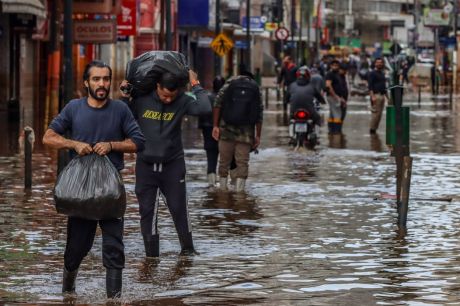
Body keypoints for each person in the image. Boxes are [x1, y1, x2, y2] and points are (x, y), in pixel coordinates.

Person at [42, 60, 145, 298]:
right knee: (77, 247)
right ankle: (68, 292)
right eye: (97, 79)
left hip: (110, 190)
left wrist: (111, 145)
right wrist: (73, 143)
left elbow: (138, 142)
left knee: (114, 247)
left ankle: (114, 299)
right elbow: (48, 137)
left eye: (106, 79)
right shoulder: (73, 108)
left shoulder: (120, 109)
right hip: (81, 192)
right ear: (86, 82)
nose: (102, 84)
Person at [120, 68, 211, 259]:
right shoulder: (141, 100)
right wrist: (124, 94)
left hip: (173, 165)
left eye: (172, 95)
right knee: (147, 211)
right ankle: (151, 257)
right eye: (163, 95)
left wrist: (195, 84)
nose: (167, 99)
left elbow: (204, 108)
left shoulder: (183, 101)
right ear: (157, 86)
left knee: (179, 209)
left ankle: (187, 252)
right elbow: (121, 115)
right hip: (145, 164)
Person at [212, 71, 263, 192]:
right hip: (246, 133)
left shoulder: (229, 83)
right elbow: (259, 113)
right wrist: (258, 135)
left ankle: (223, 191)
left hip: (226, 130)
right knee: (242, 163)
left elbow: (217, 104)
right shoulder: (255, 87)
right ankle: (240, 195)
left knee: (224, 161)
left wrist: (215, 125)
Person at [198, 76, 226, 186]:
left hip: (208, 130)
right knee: (227, 160)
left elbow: (201, 114)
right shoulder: (226, 99)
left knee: (211, 158)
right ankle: (226, 186)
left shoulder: (206, 97)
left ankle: (211, 184)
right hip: (224, 131)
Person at [325, 59, 346, 134]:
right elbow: (328, 86)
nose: (335, 67)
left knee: (332, 113)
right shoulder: (330, 74)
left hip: (337, 96)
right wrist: (336, 97)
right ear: (330, 66)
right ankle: (336, 132)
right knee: (337, 114)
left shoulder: (337, 74)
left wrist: (341, 97)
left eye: (336, 65)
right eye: (333, 65)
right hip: (332, 97)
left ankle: (331, 130)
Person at [367, 57, 388, 134]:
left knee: (379, 115)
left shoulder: (382, 73)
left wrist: (387, 97)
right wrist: (372, 96)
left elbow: (384, 86)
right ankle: (372, 130)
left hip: (382, 96)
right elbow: (370, 86)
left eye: (381, 62)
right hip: (376, 95)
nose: (379, 64)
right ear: (375, 64)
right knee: (375, 114)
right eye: (377, 62)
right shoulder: (372, 73)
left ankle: (375, 130)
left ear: (382, 64)